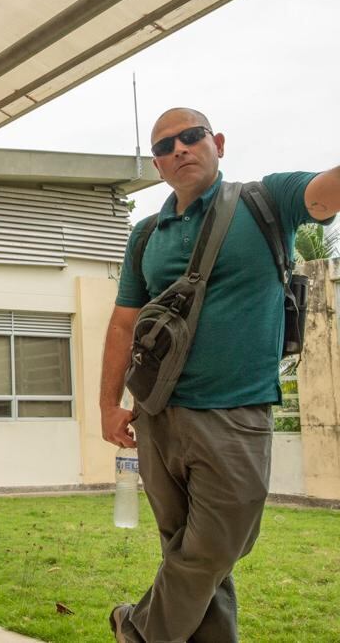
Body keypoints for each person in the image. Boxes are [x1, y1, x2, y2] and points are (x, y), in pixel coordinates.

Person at [101, 107, 340, 643]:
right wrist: (107, 405)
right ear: (157, 165)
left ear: (219, 143)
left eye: (191, 136)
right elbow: (122, 325)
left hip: (236, 413)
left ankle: (135, 628)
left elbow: (329, 190)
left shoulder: (267, 201)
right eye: (164, 146)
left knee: (214, 548)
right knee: (187, 552)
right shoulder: (145, 234)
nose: (179, 149)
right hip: (156, 413)